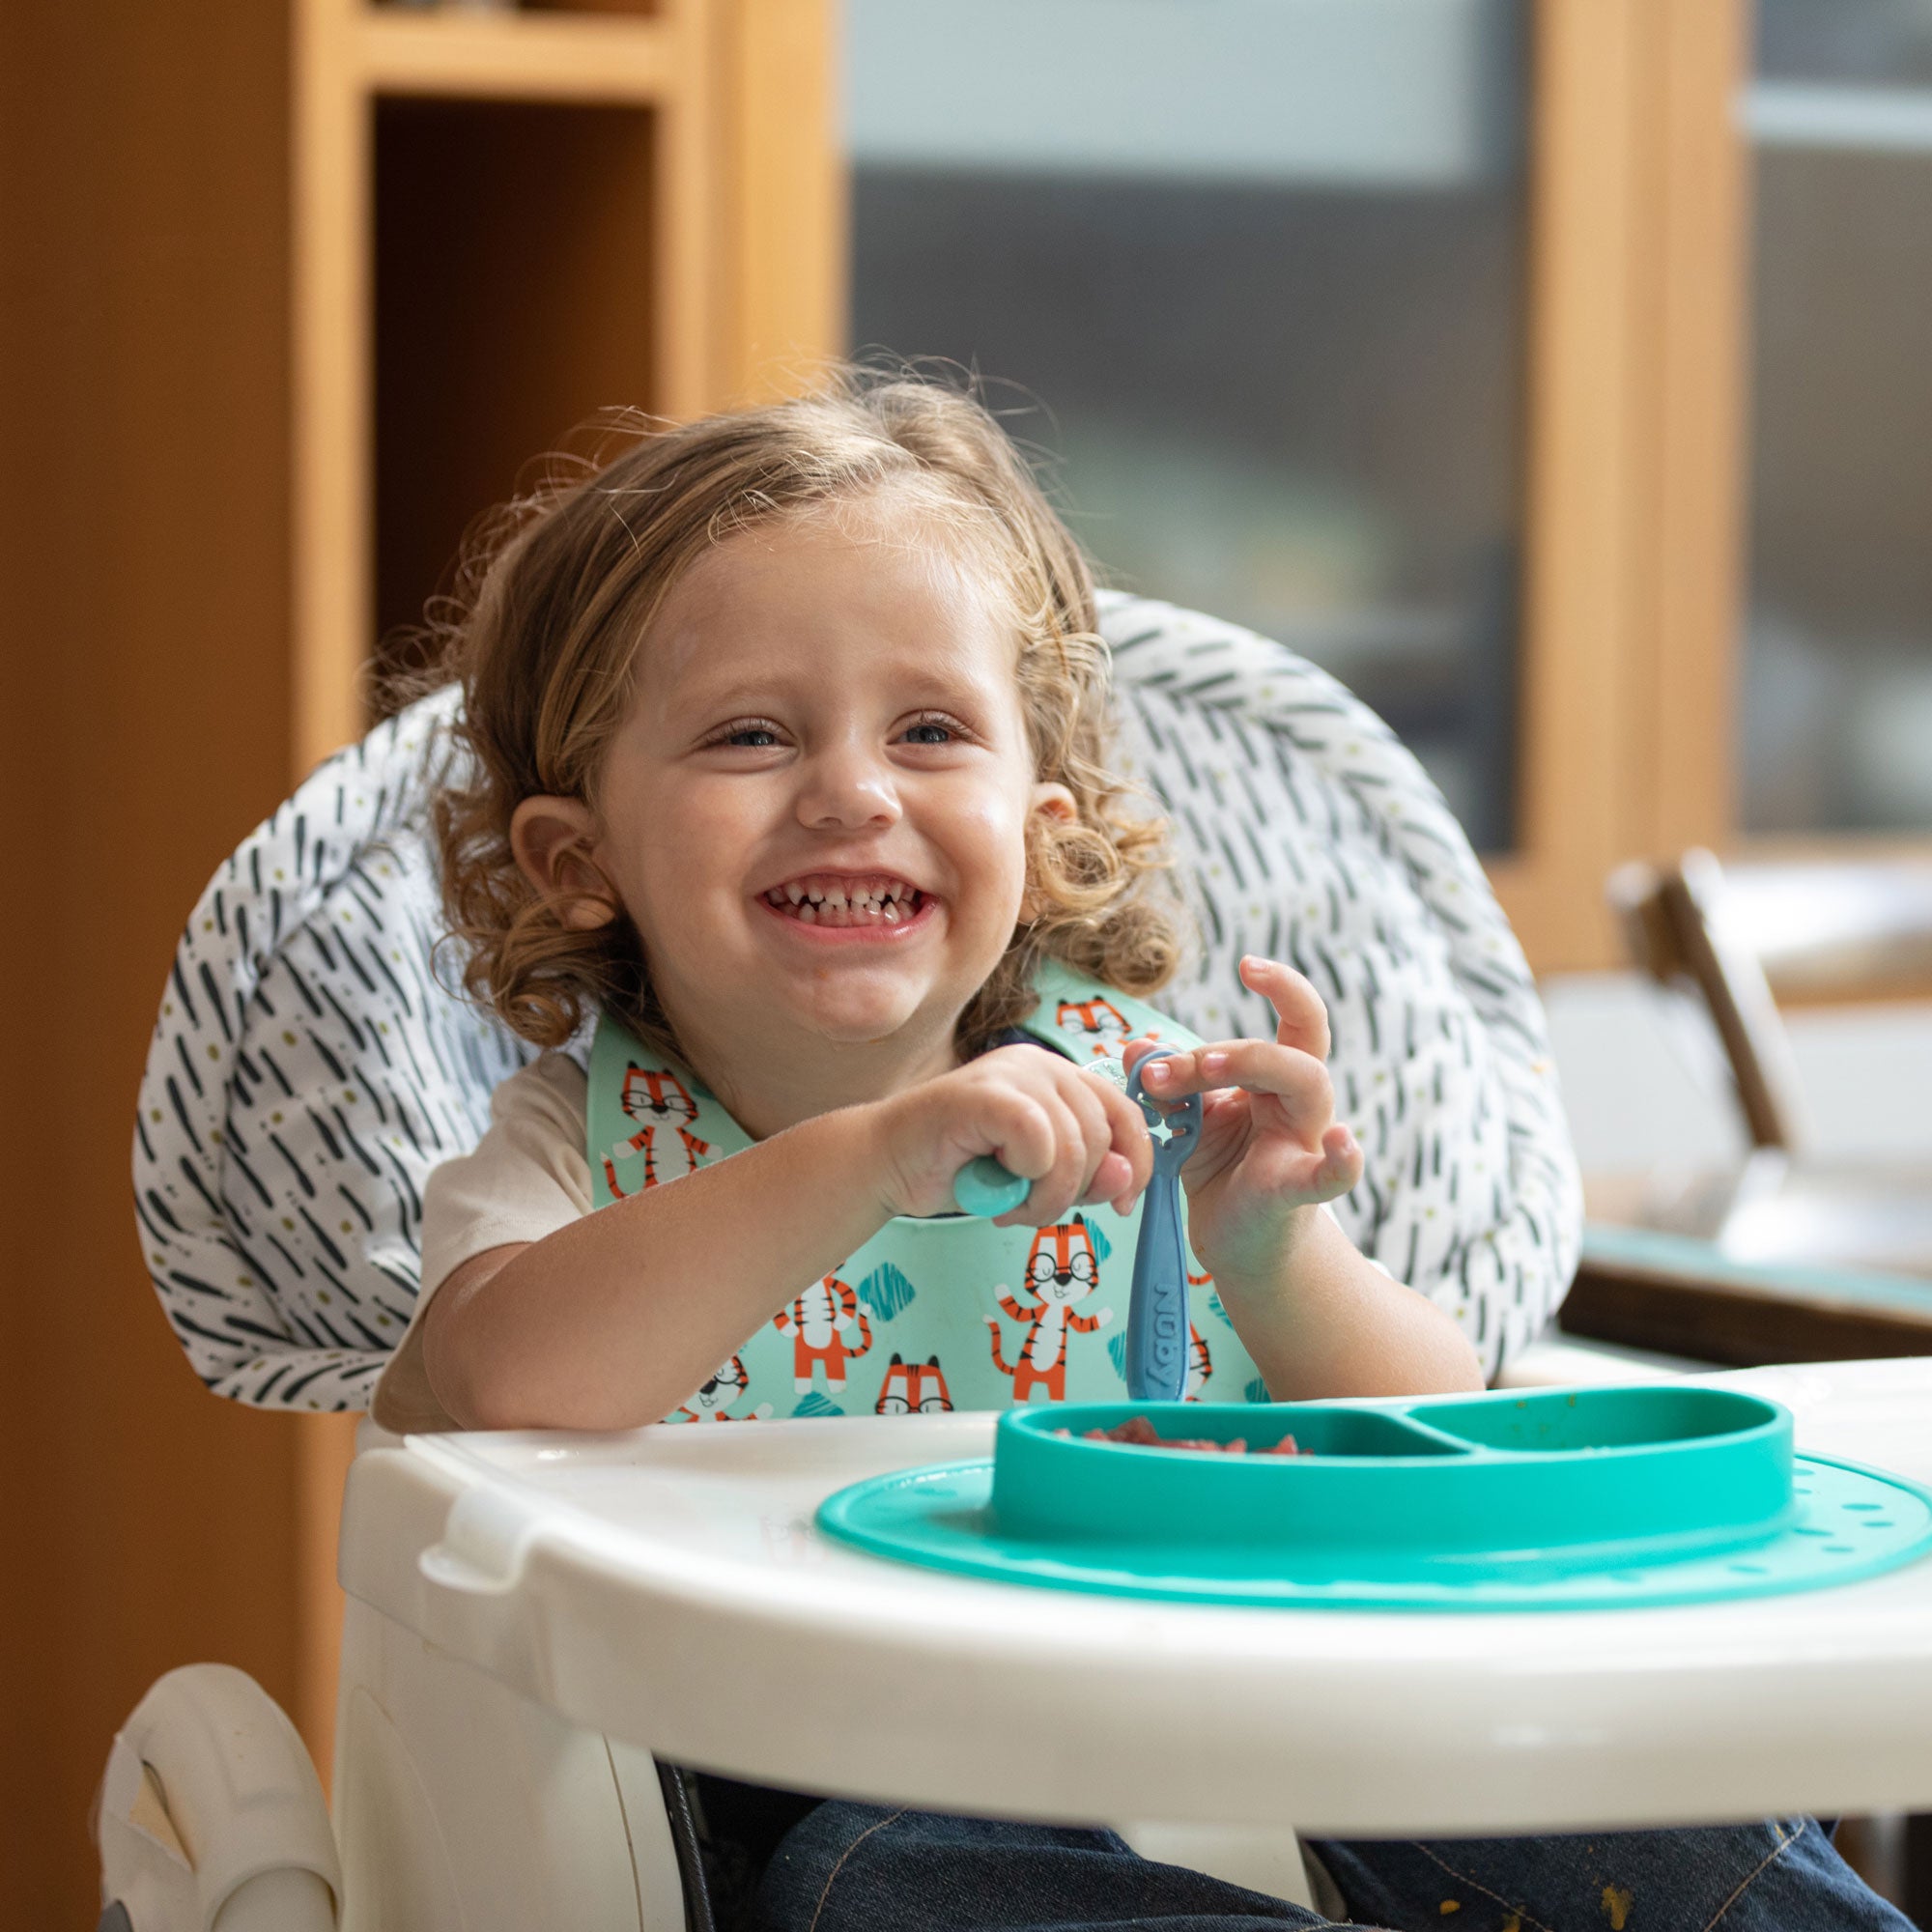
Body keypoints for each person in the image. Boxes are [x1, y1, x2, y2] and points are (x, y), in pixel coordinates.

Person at [372, 370, 1906, 1932]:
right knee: (878, 1886)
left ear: (1036, 831)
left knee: (1616, 1793)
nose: (851, 791)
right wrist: (862, 1160)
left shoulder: (1145, 1107)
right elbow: (501, 1384)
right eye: (752, 735)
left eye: (928, 730)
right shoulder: (573, 1143)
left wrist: (1273, 1254)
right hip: (848, 1800)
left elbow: (1450, 1436)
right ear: (582, 860)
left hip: (1261, 1732)